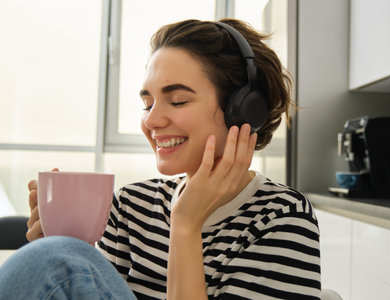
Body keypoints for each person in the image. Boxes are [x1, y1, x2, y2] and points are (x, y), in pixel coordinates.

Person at [0, 18, 321, 299]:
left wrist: (186, 224)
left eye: (178, 100)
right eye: (147, 103)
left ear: (244, 111)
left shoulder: (281, 217)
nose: (151, 121)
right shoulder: (129, 206)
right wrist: (74, 257)